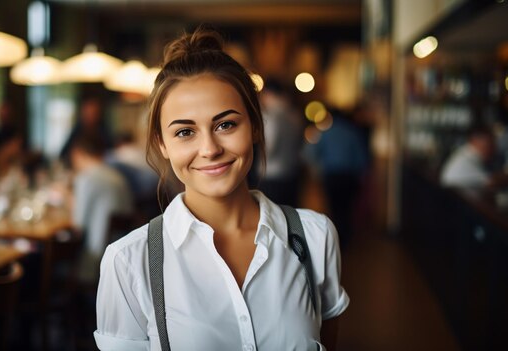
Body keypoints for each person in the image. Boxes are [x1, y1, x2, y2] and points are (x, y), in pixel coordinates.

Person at [95, 28, 349, 351]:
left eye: (226, 124)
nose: (210, 148)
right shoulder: (129, 263)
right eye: (185, 132)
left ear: (255, 125)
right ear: (162, 144)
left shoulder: (315, 237)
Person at [70, 136, 134, 282]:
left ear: (77, 154)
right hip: (123, 251)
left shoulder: (86, 178)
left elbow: (78, 224)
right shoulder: (117, 176)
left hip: (95, 255)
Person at [306, 108, 368, 250]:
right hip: (349, 177)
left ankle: (335, 238)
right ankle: (346, 238)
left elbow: (310, 152)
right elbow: (362, 159)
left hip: (331, 175)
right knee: (347, 208)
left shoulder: (326, 133)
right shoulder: (353, 132)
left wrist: (317, 168)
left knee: (333, 207)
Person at [257, 78, 305, 207]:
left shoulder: (269, 116)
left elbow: (269, 147)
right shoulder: (295, 115)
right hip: (292, 171)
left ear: (268, 94)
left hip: (272, 173)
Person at [440, 124, 508, 188]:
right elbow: (491, 182)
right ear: (475, 140)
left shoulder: (465, 152)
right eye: (490, 141)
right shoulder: (469, 155)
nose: (495, 147)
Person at [60, 96, 113, 165]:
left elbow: (110, 153)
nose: (90, 116)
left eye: (93, 113)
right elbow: (64, 154)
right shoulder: (77, 130)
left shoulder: (104, 131)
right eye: (87, 112)